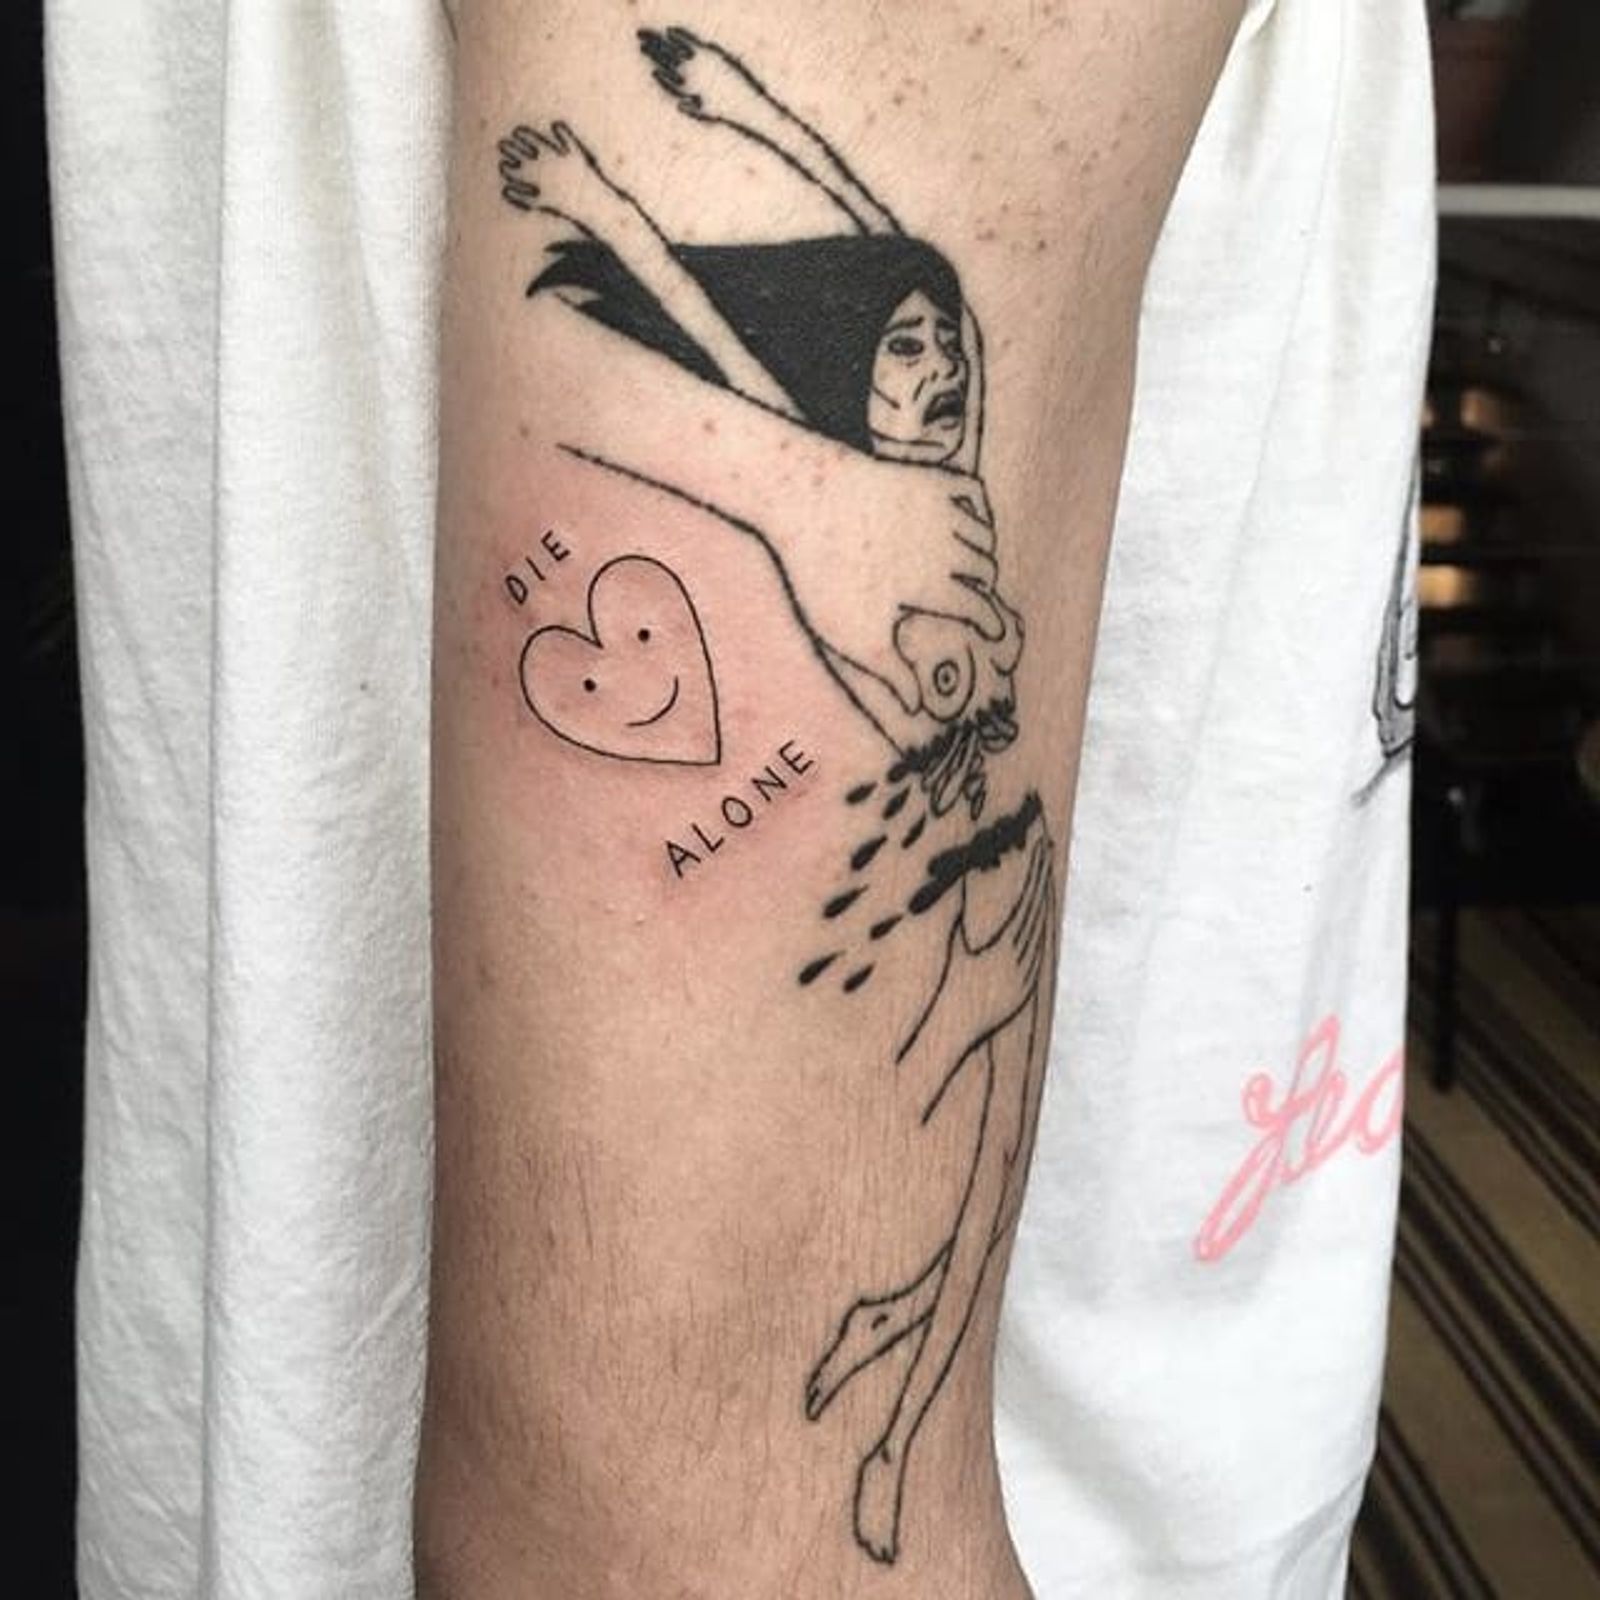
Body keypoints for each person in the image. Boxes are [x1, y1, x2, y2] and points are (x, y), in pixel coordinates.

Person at [48, 2, 1435, 1596]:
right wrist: (623, 191)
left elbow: (871, 245)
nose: (931, 367)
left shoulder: (918, 482)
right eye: (896, 351)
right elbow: (672, 1522)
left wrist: (731, 129)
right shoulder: (851, 510)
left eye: (937, 345)